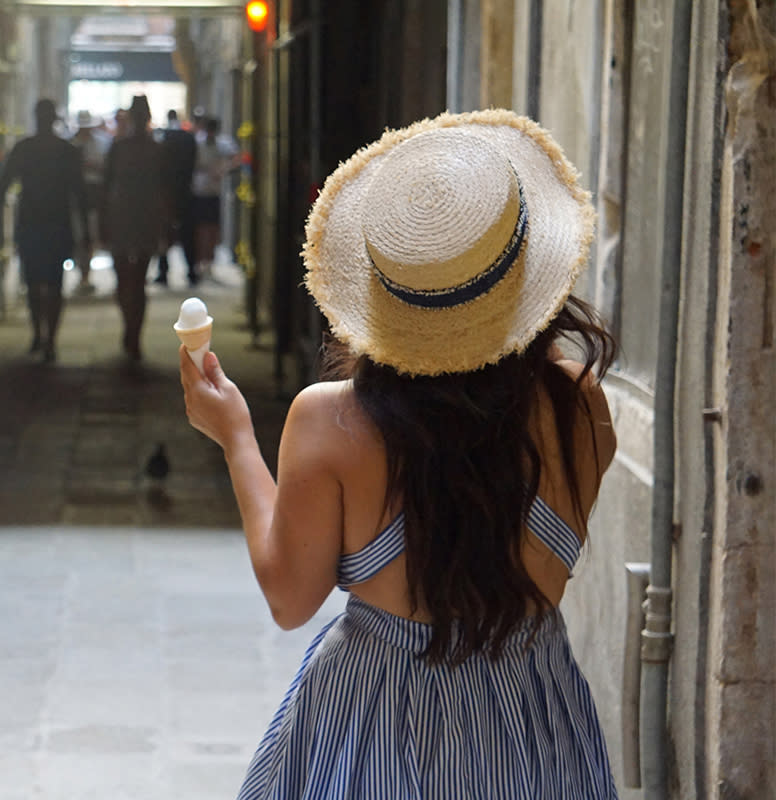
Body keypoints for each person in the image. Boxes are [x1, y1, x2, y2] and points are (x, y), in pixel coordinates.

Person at [180, 109, 620, 798]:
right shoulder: (577, 404)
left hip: (374, 724)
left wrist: (237, 438)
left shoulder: (332, 424)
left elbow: (290, 597)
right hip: (533, 726)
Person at [0, 98, 89, 363]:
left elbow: (4, 185)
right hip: (55, 223)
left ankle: (41, 334)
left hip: (35, 223)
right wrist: (87, 232)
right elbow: (79, 193)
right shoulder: (64, 151)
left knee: (37, 282)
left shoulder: (26, 149)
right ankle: (47, 337)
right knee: (51, 283)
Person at [101, 95, 164, 361]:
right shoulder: (147, 150)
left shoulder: (127, 148)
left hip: (130, 218)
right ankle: (132, 330)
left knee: (131, 279)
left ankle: (132, 331)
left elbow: (106, 188)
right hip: (135, 218)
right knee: (132, 280)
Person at [190, 116, 238, 279]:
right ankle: (199, 261)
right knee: (200, 229)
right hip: (198, 190)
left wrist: (223, 169)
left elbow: (236, 158)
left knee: (211, 228)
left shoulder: (222, 144)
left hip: (213, 191)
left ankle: (209, 262)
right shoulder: (197, 143)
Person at [155, 109, 198, 287]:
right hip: (185, 191)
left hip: (166, 192)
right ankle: (191, 271)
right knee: (187, 234)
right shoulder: (188, 138)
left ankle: (164, 271)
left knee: (164, 233)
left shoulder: (163, 138)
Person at [70, 109, 110, 293]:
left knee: (90, 236)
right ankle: (82, 274)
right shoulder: (70, 145)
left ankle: (86, 276)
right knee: (79, 237)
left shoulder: (101, 142)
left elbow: (106, 168)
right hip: (75, 198)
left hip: (93, 196)